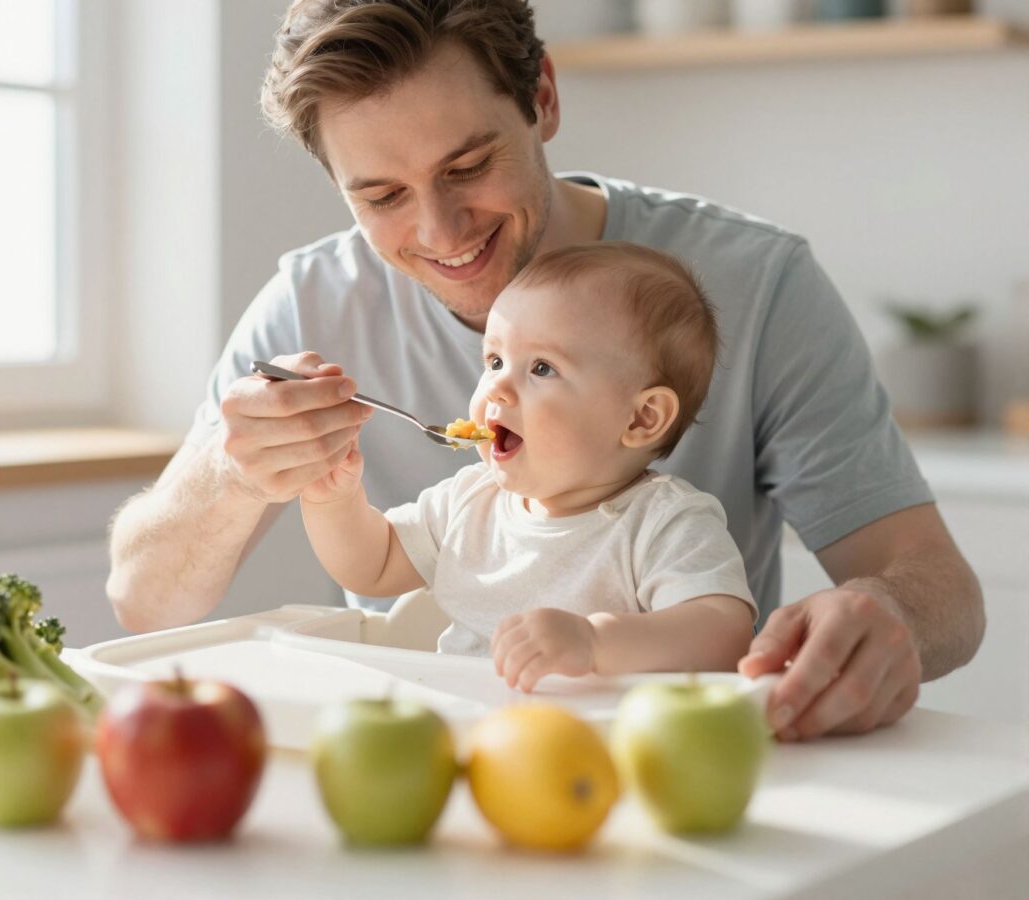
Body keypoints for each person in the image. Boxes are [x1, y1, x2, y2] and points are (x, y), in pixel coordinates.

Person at [106, 0, 984, 741]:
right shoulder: (311, 303)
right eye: (382, 197)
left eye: (470, 166)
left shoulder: (756, 284)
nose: (443, 233)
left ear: (544, 98)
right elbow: (145, 601)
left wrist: (889, 615)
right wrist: (237, 468)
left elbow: (939, 589)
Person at [300, 241, 758, 692]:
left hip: (600, 748)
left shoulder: (663, 522)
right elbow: (373, 566)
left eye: (541, 368)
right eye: (495, 360)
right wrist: (333, 500)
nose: (497, 386)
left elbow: (723, 633)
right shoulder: (470, 501)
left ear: (642, 418)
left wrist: (595, 642)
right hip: (467, 732)